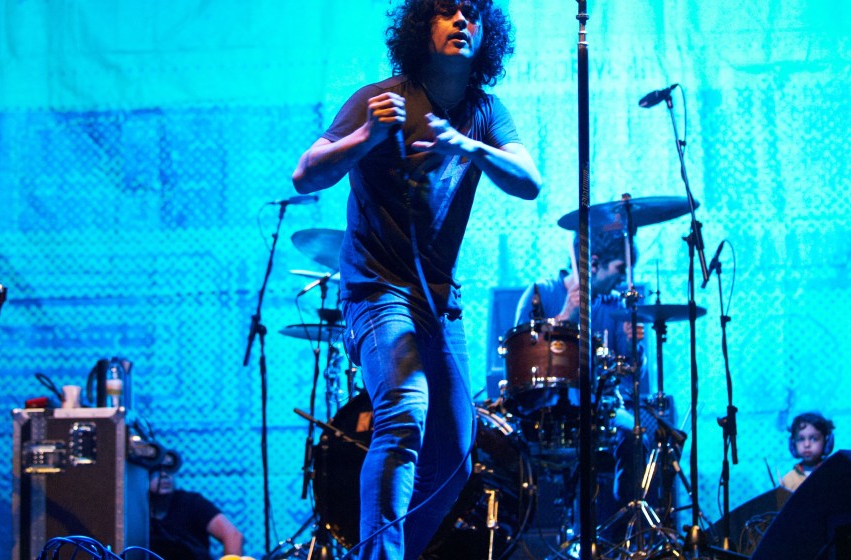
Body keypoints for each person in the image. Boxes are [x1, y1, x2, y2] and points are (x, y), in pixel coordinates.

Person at [292, 1, 541, 558]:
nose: (461, 21)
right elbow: (306, 174)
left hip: (438, 303)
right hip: (378, 292)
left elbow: (530, 181)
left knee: (454, 457)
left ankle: (385, 553)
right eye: (446, 10)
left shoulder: (484, 112)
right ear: (418, 28)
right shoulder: (381, 98)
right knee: (404, 412)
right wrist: (363, 140)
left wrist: (467, 146)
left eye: (472, 12)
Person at [512, 229, 654, 533]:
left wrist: (634, 348)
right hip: (546, 410)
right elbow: (519, 359)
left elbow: (633, 377)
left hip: (603, 411)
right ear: (594, 263)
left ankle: (622, 529)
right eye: (620, 268)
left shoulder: (616, 306)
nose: (624, 278)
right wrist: (566, 316)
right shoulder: (541, 292)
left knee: (637, 435)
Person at [149, 464, 245, 560]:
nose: (165, 475)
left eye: (169, 469)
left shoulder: (191, 502)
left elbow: (233, 536)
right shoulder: (136, 510)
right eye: (156, 470)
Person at [780, 412, 835, 492]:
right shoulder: (788, 480)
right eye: (801, 439)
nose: (807, 445)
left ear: (827, 442)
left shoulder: (833, 475)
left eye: (814, 439)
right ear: (793, 443)